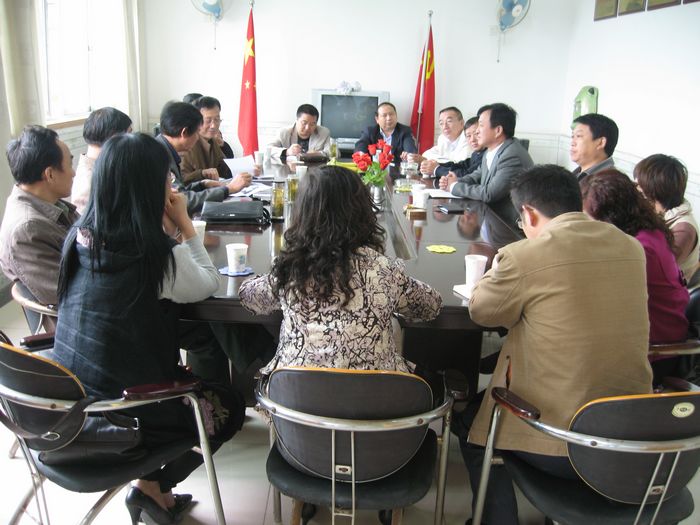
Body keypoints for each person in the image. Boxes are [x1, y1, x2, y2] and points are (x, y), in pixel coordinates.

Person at [52, 133, 245, 524]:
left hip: (68, 407)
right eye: (167, 180)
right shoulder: (154, 255)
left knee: (192, 350)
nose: (171, 187)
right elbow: (207, 282)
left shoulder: (78, 238)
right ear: (149, 189)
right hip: (126, 413)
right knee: (229, 407)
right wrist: (184, 224)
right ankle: (152, 485)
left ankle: (154, 490)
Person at [459, 165, 653, 524]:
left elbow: (482, 312)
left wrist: (495, 272)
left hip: (563, 440)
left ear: (529, 213)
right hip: (630, 432)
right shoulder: (630, 247)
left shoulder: (524, 255)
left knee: (471, 425)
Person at [239, 165, 441, 374]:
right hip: (376, 393)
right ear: (363, 212)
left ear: (304, 213)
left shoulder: (291, 269)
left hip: (295, 391)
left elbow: (249, 297)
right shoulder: (384, 270)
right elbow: (431, 306)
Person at [581, 169, 689, 382]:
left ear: (609, 216)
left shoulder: (639, 248)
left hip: (656, 350)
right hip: (660, 334)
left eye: (588, 218)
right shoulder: (648, 232)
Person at [0, 125, 78, 307]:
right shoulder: (27, 229)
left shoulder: (50, 204)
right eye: (69, 165)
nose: (74, 173)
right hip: (80, 319)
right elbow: (70, 294)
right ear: (50, 174)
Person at [439, 103, 533, 224]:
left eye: (481, 125)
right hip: (491, 217)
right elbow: (477, 175)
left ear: (498, 131)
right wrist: (454, 181)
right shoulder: (492, 150)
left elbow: (489, 194)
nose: (477, 131)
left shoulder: (511, 155)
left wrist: (453, 187)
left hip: (508, 224)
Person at [156, 101, 251, 215]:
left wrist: (202, 185)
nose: (198, 138)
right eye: (197, 132)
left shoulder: (162, 148)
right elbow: (183, 201)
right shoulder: (159, 157)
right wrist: (229, 189)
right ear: (184, 132)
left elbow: (180, 191)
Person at [634, 154, 699, 282]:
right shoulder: (654, 212)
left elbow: (654, 269)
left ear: (653, 188)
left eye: (638, 185)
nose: (635, 188)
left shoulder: (684, 229)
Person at [71, 107, 132, 214]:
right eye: (128, 134)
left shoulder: (106, 164)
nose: (131, 140)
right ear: (114, 137)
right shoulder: (88, 183)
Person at [180, 96, 245, 184]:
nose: (213, 125)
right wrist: (202, 173)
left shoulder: (212, 141)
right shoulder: (187, 143)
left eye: (217, 119)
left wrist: (248, 169)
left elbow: (225, 169)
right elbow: (179, 181)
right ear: (196, 121)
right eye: (208, 121)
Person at [570, 113, 618, 182]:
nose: (572, 143)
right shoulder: (577, 174)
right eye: (572, 136)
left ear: (601, 143)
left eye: (578, 136)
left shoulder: (608, 183)